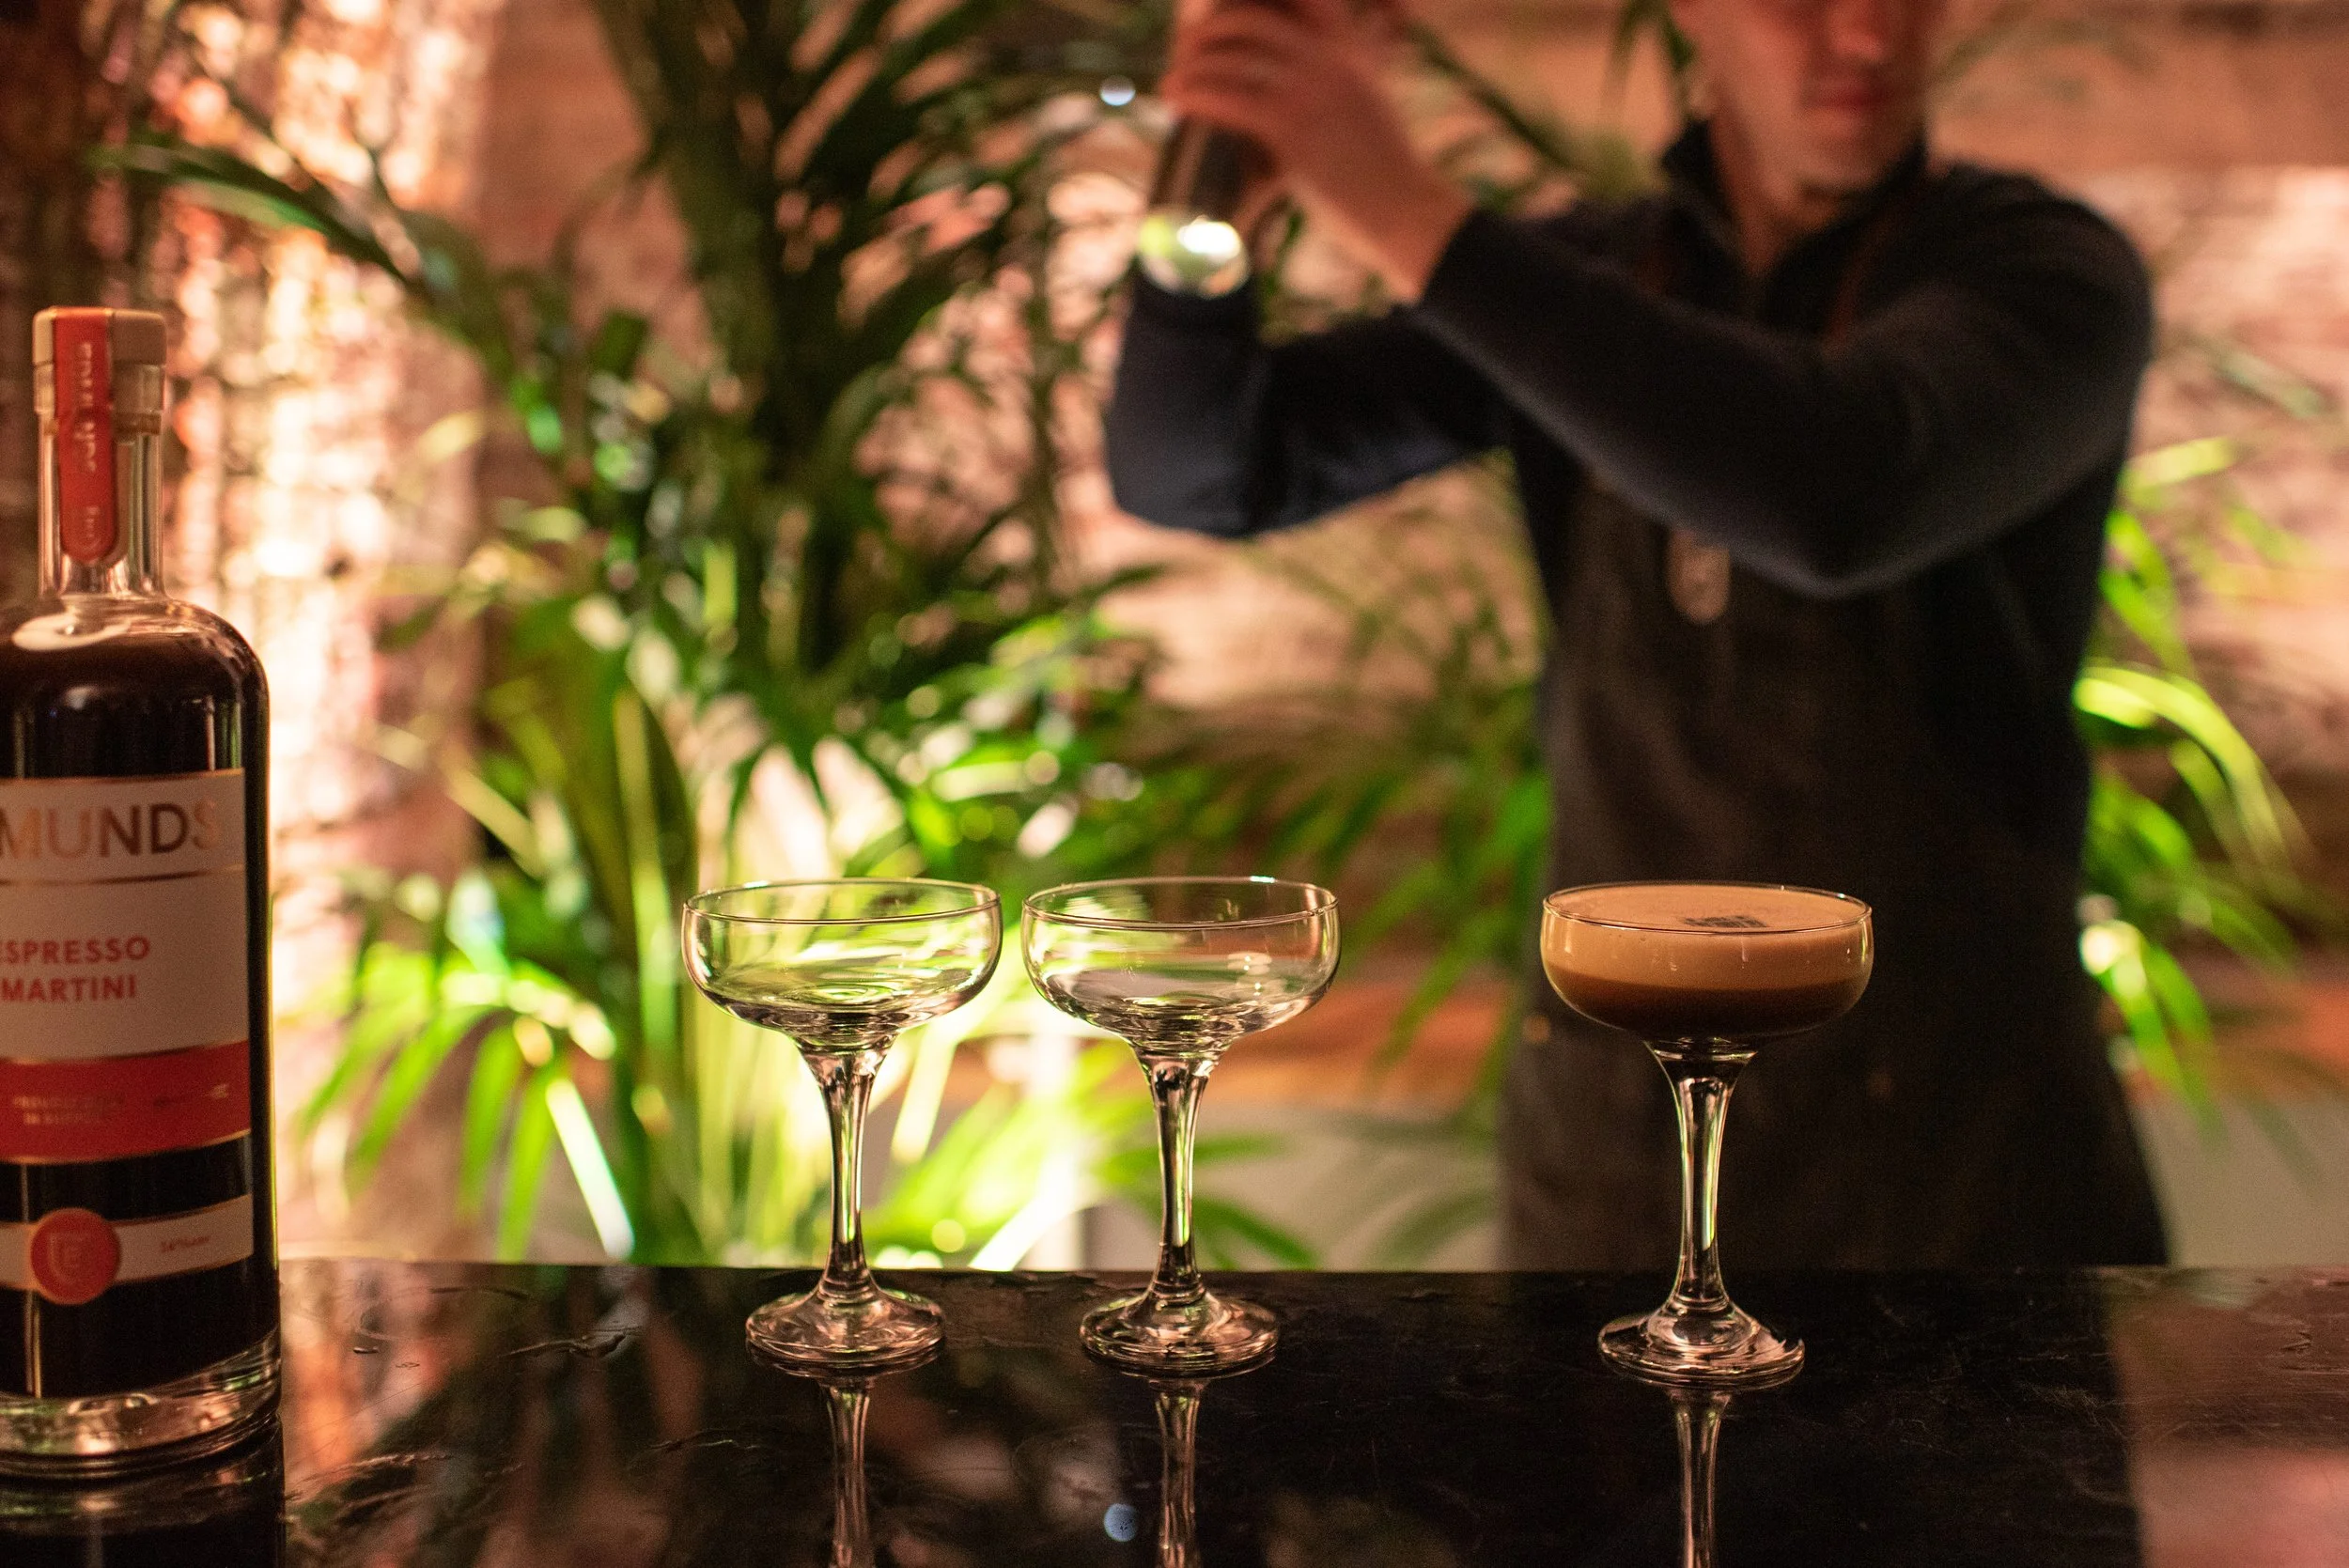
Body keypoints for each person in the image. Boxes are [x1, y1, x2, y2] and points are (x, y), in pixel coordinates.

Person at [1104, 0, 2169, 1266]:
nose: (1869, 34)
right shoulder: (1598, 286)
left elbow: (1838, 492)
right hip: (1608, 1177)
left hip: (1962, 1186)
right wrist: (1201, 221)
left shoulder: (2045, 274)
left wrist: (1399, 206)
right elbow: (1200, 471)